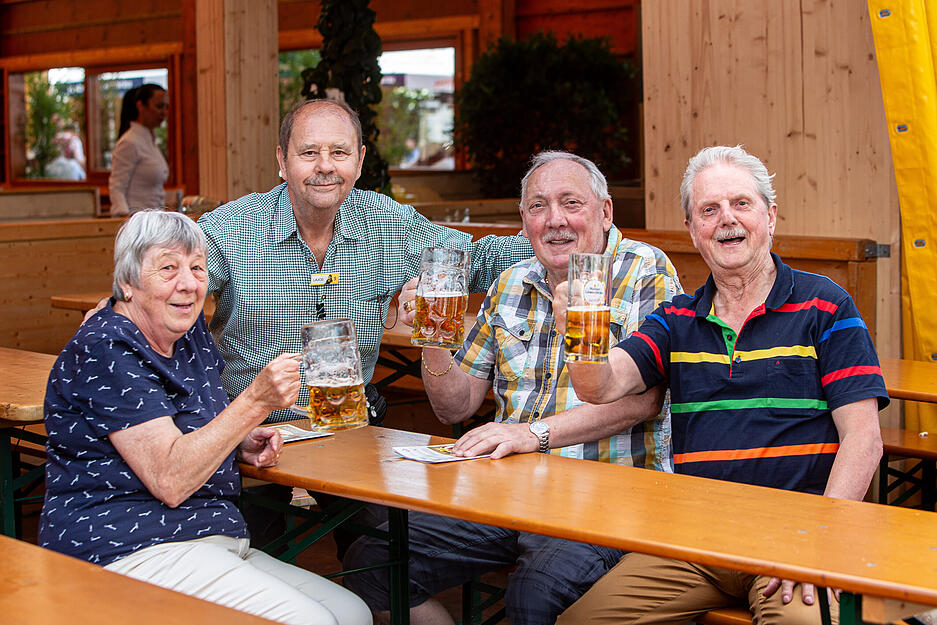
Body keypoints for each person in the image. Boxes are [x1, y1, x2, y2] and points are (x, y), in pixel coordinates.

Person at [343, 150, 683, 625]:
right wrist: (432, 340)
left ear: (605, 212)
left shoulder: (644, 269)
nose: (555, 221)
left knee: (535, 595)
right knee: (374, 560)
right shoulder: (510, 283)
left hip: (610, 496)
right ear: (524, 220)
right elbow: (454, 405)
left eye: (571, 203)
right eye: (539, 207)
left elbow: (643, 401)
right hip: (507, 490)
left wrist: (531, 434)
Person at [555, 146, 888, 625]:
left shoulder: (826, 305)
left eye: (741, 204)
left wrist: (821, 542)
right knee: (579, 623)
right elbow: (601, 387)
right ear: (693, 230)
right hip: (694, 544)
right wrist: (580, 335)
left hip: (794, 542)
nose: (726, 219)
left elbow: (865, 439)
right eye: (709, 210)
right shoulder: (675, 319)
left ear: (770, 218)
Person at [196, 97, 534, 551]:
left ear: (359, 161)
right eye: (308, 152)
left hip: (348, 430)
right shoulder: (231, 229)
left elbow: (476, 261)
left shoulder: (387, 222)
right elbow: (172, 285)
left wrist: (560, 237)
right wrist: (124, 304)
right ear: (282, 161)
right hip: (252, 436)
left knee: (389, 556)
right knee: (248, 560)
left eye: (339, 152)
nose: (325, 167)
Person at [39, 210, 371, 625]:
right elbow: (171, 479)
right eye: (167, 268)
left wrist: (238, 442)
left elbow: (187, 429)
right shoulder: (106, 348)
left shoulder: (187, 331)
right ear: (127, 282)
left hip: (209, 535)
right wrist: (254, 402)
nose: (188, 283)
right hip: (124, 549)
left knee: (352, 612)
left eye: (197, 267)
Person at [109, 84, 170, 216]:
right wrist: (125, 219)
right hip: (137, 224)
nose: (164, 112)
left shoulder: (150, 140)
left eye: (167, 107)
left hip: (155, 220)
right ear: (141, 106)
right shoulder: (130, 142)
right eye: (159, 106)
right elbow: (116, 187)